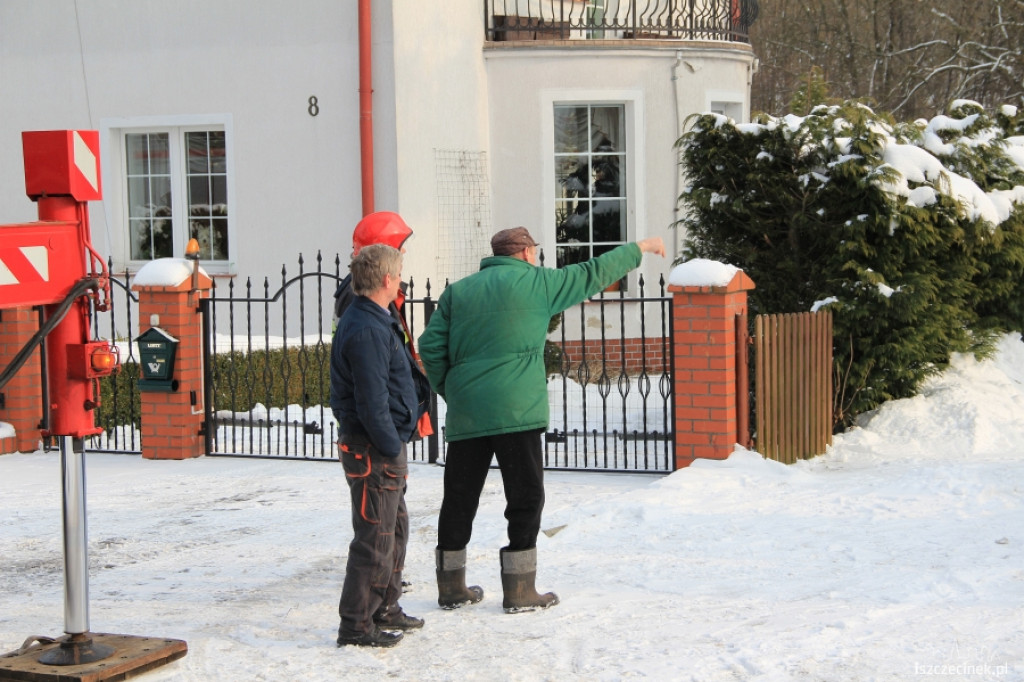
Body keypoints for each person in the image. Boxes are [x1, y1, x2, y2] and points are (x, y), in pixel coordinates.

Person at [418, 227, 666, 613]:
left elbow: (429, 346)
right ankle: (519, 591)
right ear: (525, 253)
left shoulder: (458, 292)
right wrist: (642, 248)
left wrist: (454, 389)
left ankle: (451, 587)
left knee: (460, 496)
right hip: (517, 411)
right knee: (525, 496)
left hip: (470, 412)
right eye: (534, 251)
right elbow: (593, 272)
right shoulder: (540, 284)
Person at [331, 244, 426, 648]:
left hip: (381, 449)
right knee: (374, 538)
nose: (402, 279)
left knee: (394, 530)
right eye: (400, 272)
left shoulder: (374, 318)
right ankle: (356, 624)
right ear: (386, 279)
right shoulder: (368, 327)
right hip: (373, 451)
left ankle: (385, 606)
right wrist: (390, 444)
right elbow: (372, 401)